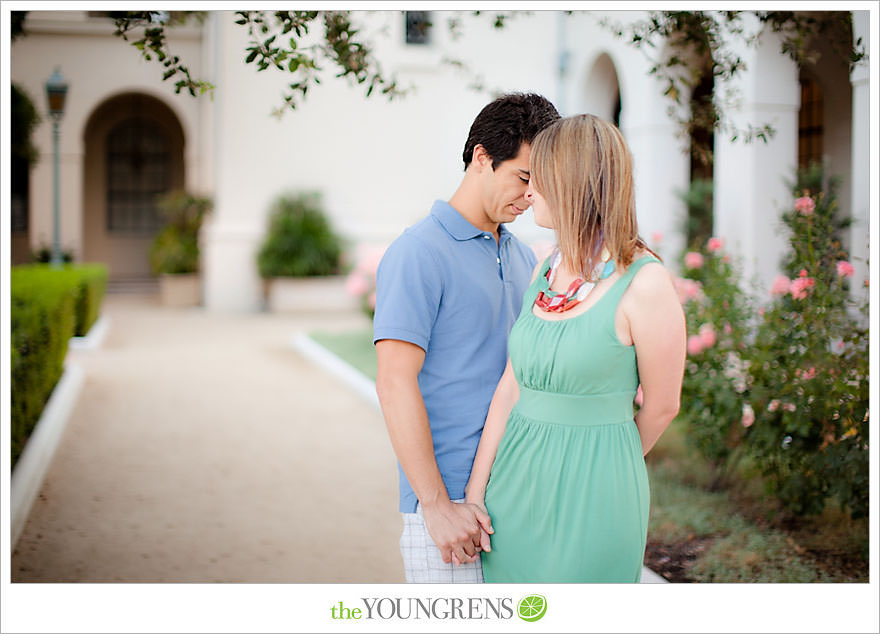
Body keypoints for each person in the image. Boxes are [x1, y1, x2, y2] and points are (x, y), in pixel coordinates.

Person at [464, 114, 687, 582]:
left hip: (596, 495)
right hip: (513, 489)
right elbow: (511, 386)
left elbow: (663, 407)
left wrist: (605, 461)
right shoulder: (543, 268)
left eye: (539, 179)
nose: (529, 192)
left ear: (572, 183)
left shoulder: (645, 284)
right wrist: (477, 491)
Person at [373, 93, 561, 583]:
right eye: (522, 178)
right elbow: (394, 383)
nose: (529, 196)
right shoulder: (417, 253)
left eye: (538, 186)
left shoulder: (524, 258)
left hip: (519, 498)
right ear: (482, 157)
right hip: (449, 505)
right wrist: (436, 506)